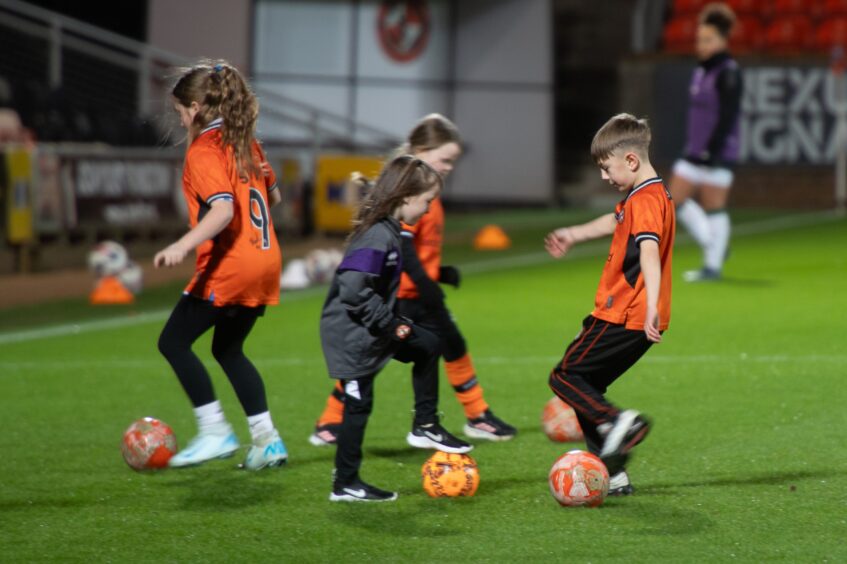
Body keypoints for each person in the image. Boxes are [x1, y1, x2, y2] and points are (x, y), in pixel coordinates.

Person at [310, 114, 516, 450]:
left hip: (414, 288)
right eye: (444, 159)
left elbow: (418, 248)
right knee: (385, 357)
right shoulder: (411, 195)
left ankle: (332, 422)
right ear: (421, 149)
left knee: (429, 348)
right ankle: (466, 417)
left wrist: (441, 272)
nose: (449, 166)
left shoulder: (423, 189)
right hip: (405, 293)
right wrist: (428, 285)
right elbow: (402, 250)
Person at [154, 60, 287, 471]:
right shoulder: (248, 143)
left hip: (232, 264)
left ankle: (214, 430)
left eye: (180, 113)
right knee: (228, 348)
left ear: (194, 108)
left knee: (173, 342)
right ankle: (267, 441)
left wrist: (183, 244)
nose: (180, 121)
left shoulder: (205, 150)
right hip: (266, 260)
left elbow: (224, 210)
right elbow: (274, 200)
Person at [544, 113, 675, 496]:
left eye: (606, 168)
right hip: (635, 316)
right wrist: (573, 233)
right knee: (588, 387)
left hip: (625, 313)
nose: (604, 177)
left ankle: (621, 422)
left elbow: (648, 250)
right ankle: (612, 473)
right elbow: (613, 222)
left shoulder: (646, 200)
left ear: (631, 161)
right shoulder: (646, 195)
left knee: (564, 377)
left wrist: (650, 303)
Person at [320, 155, 444, 502]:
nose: (428, 209)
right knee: (358, 405)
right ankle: (345, 483)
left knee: (430, 344)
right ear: (406, 198)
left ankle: (425, 424)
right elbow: (353, 290)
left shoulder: (390, 232)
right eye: (427, 202)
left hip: (372, 329)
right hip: (353, 336)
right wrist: (392, 324)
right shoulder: (377, 236)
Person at [669, 3, 742, 282]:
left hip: (719, 151)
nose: (702, 45)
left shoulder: (729, 72)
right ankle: (717, 248)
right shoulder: (702, 70)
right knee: (672, 200)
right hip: (695, 150)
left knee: (713, 205)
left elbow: (728, 115)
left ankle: (713, 265)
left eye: (708, 40)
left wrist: (714, 148)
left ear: (723, 41)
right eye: (700, 39)